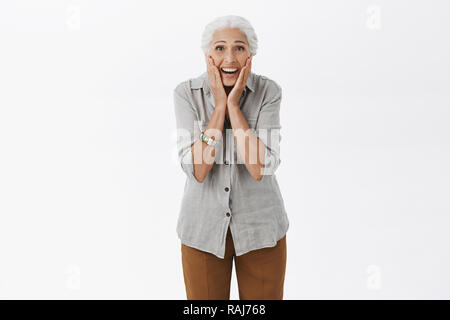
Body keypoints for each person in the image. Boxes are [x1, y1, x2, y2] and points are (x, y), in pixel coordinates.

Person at [173, 15, 289, 300]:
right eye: (220, 48)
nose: (230, 58)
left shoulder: (268, 92)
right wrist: (218, 108)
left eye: (239, 48)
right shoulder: (187, 93)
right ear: (207, 55)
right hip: (201, 230)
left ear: (250, 55)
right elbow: (197, 170)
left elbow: (260, 166)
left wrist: (234, 107)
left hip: (261, 229)